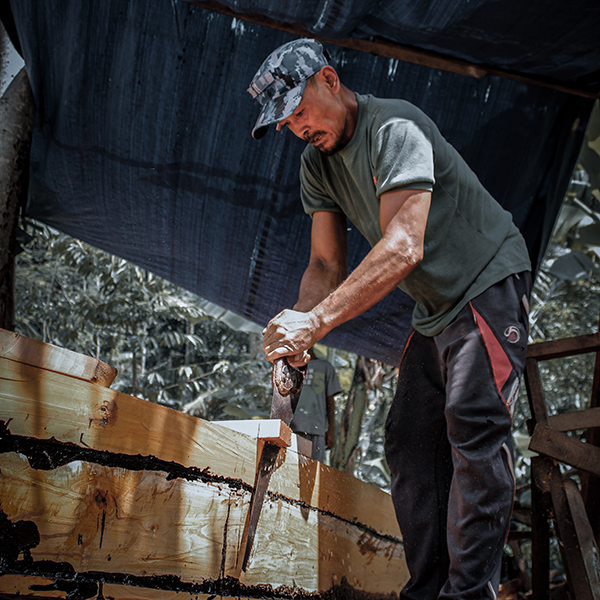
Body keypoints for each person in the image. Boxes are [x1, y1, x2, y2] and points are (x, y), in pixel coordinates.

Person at [247, 38, 532, 600]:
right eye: (285, 123)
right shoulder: (317, 165)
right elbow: (326, 264)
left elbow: (403, 247)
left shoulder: (394, 128)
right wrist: (297, 324)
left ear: (329, 79)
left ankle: (469, 594)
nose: (296, 128)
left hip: (486, 285)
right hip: (435, 309)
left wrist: (317, 323)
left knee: (474, 428)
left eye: (298, 111)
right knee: (408, 440)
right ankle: (429, 590)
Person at [289, 347, 341, 462]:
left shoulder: (325, 367)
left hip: (317, 430)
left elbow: (330, 400)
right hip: (293, 428)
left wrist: (331, 429)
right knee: (292, 468)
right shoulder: (288, 367)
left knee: (313, 472)